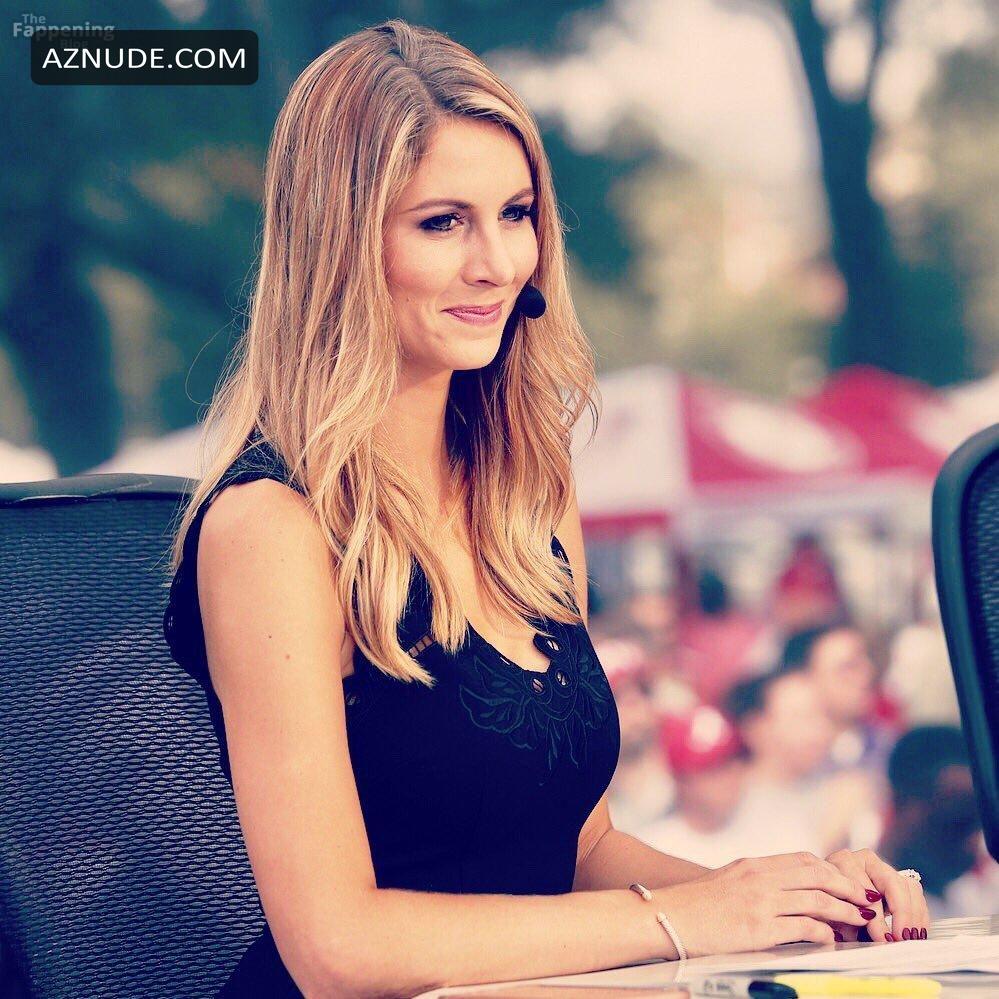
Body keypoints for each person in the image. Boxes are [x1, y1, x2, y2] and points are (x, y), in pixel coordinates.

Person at [161, 19, 927, 997]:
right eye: (442, 223)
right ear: (340, 245)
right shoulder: (273, 527)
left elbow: (578, 846)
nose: (497, 262)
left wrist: (788, 901)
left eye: (515, 213)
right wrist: (685, 921)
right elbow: (337, 949)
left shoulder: (529, 494)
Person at [879, 726, 999, 922]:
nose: (972, 842)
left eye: (977, 822)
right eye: (956, 820)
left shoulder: (974, 898)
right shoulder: (860, 899)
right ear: (901, 801)